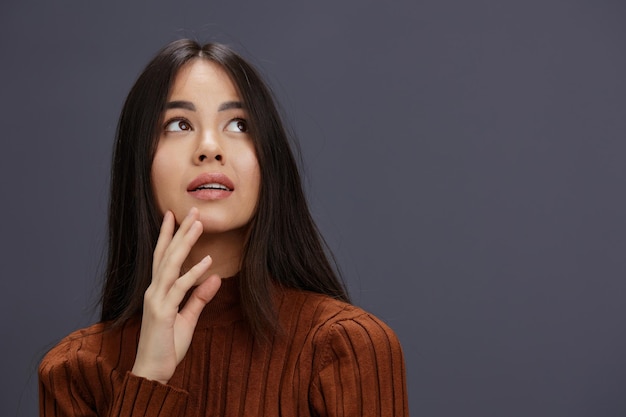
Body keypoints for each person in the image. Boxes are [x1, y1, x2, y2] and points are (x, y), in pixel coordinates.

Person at [39, 39, 408, 417]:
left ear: (269, 161)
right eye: (179, 124)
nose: (210, 148)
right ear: (139, 164)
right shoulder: (74, 373)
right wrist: (147, 377)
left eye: (238, 124)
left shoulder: (345, 348)